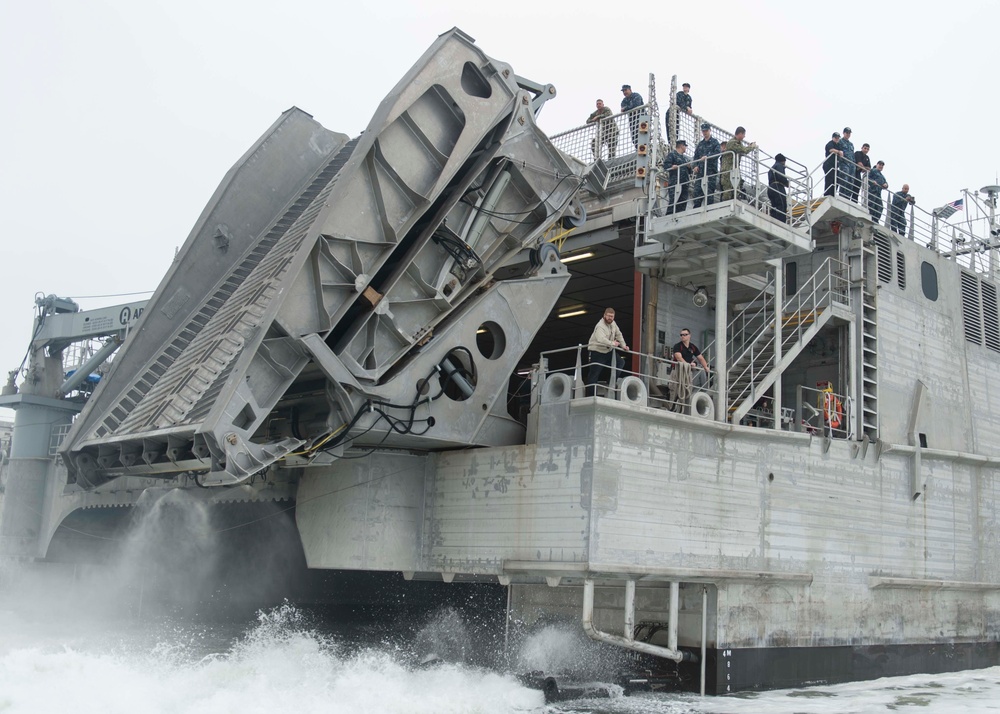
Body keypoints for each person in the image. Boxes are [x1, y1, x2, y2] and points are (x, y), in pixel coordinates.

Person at [586, 307, 629, 395]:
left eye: (612, 316)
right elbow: (600, 339)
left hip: (608, 351)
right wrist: (612, 343)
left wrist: (623, 345)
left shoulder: (613, 324)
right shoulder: (600, 326)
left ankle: (611, 381)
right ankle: (590, 395)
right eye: (609, 316)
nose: (610, 318)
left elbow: (619, 334)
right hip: (597, 351)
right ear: (604, 315)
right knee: (594, 374)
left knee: (620, 362)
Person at [720, 126, 757, 202]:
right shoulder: (732, 143)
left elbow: (742, 149)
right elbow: (743, 150)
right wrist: (752, 147)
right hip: (728, 170)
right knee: (727, 190)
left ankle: (734, 202)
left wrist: (748, 146)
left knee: (736, 189)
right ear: (740, 134)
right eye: (743, 134)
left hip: (734, 170)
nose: (744, 136)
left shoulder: (738, 143)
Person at [692, 123, 721, 207]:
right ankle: (696, 212)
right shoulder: (700, 144)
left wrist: (707, 157)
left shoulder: (715, 142)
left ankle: (709, 210)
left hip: (710, 173)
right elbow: (696, 157)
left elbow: (717, 153)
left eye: (706, 131)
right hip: (700, 173)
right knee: (697, 193)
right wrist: (695, 166)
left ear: (709, 131)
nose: (704, 133)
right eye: (703, 131)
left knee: (709, 194)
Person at [663, 139, 692, 214]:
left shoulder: (685, 158)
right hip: (675, 182)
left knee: (683, 202)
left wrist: (689, 167)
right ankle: (669, 217)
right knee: (674, 201)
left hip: (684, 183)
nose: (685, 148)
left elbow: (690, 172)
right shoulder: (672, 154)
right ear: (681, 146)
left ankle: (680, 216)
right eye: (685, 146)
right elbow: (666, 165)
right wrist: (672, 166)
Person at [767, 153, 789, 223]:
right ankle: (781, 222)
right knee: (781, 205)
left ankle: (773, 220)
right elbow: (780, 176)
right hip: (778, 187)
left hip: (771, 187)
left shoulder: (771, 168)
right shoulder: (779, 166)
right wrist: (786, 183)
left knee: (774, 205)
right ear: (783, 160)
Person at [837, 127, 857, 201]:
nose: (848, 134)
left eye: (849, 133)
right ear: (844, 133)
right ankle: (842, 197)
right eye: (847, 133)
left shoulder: (851, 144)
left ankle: (847, 199)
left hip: (852, 166)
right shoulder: (840, 141)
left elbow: (852, 155)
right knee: (844, 181)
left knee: (851, 183)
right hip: (844, 164)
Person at [823, 132, 842, 197]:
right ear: (833, 138)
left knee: (837, 179)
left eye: (838, 138)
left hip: (835, 165)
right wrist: (839, 152)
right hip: (828, 164)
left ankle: (833, 193)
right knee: (829, 179)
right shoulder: (830, 143)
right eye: (836, 137)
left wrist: (840, 152)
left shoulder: (838, 145)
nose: (837, 139)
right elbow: (831, 150)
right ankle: (827, 194)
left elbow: (842, 153)